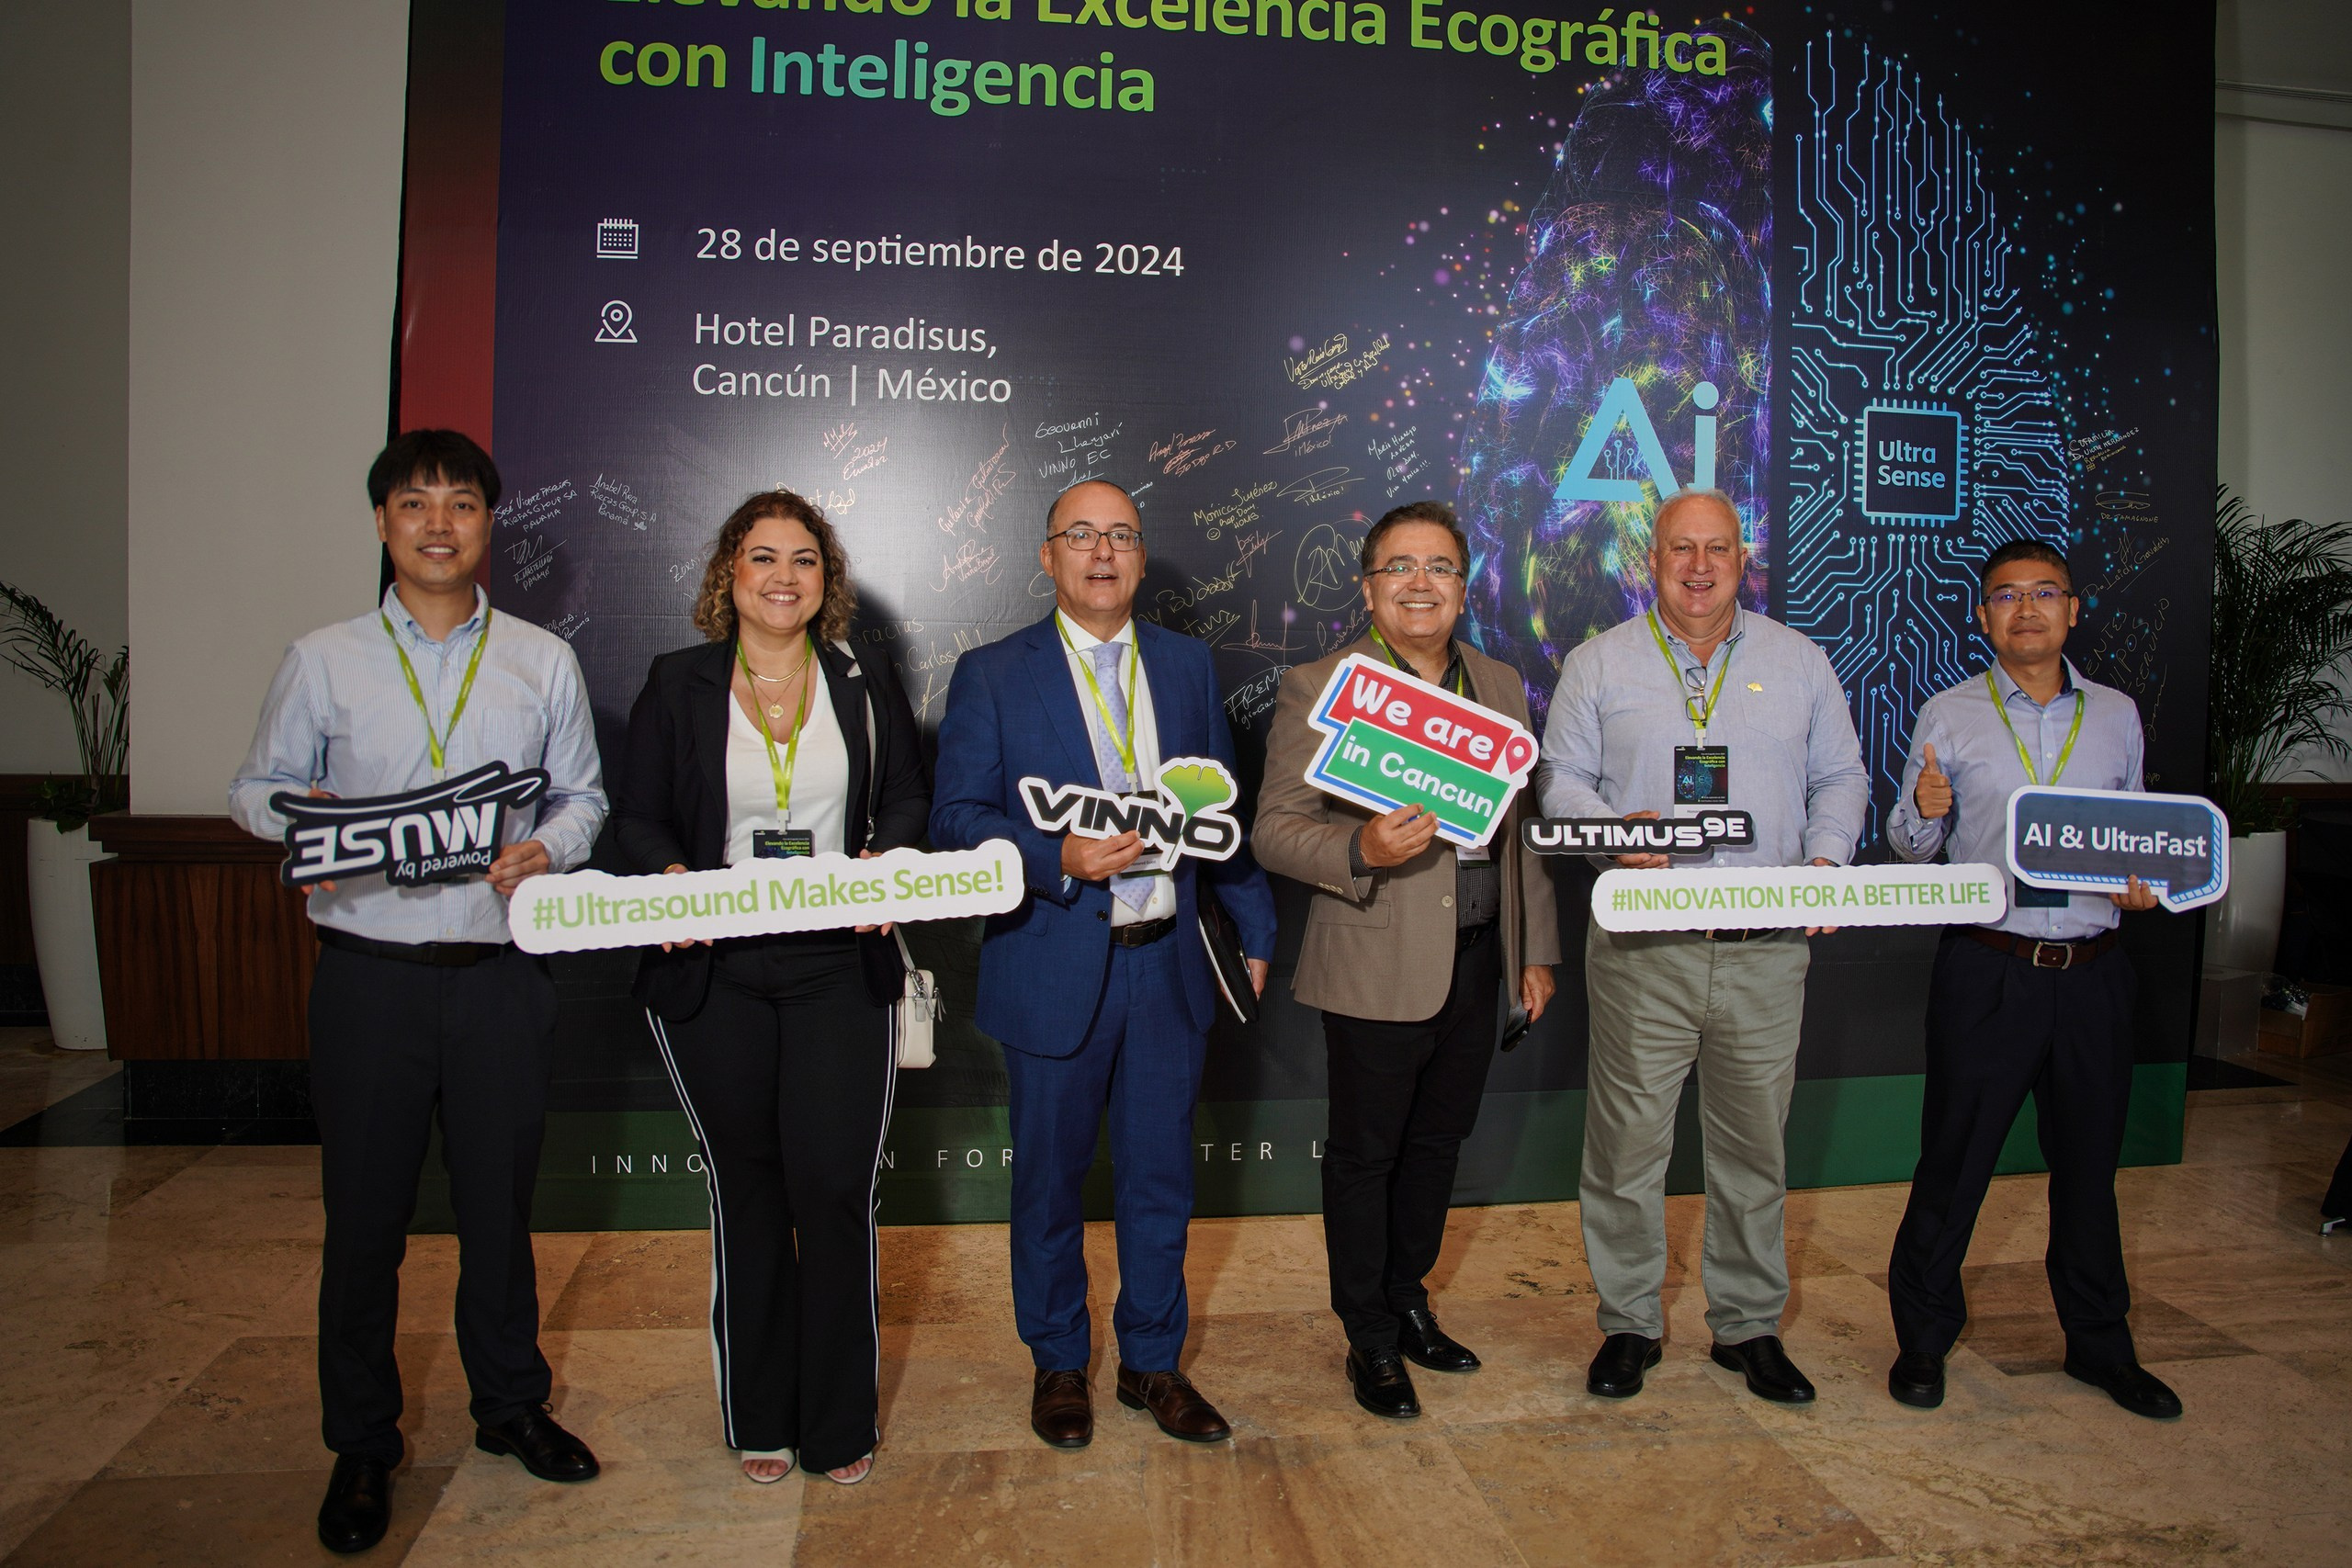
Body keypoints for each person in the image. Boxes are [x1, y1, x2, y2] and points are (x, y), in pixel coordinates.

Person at [229, 430, 608, 1554]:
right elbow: (254, 791)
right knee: (366, 1221)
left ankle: (510, 1406)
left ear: (489, 524)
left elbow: (582, 801)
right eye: (413, 504)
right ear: (384, 524)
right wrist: (318, 830)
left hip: (498, 976)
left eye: (460, 504)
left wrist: (546, 850)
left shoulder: (542, 658)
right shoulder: (325, 657)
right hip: (369, 978)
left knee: (499, 1211)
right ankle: (362, 1441)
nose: (438, 524)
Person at [929, 479, 1279, 1450]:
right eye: (1080, 535)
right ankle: (1056, 1364)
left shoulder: (1183, 665)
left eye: (1121, 535)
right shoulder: (994, 674)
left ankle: (1152, 1365)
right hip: (1052, 963)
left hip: (1167, 966)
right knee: (1047, 1182)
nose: (1102, 552)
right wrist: (1055, 860)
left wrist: (1253, 928)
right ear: (1047, 556)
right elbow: (956, 821)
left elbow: (1218, 814)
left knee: (1161, 1179)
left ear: (1138, 554)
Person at [612, 490, 931, 1484]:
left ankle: (839, 1425)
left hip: (839, 959)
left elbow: (907, 796)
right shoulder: (679, 682)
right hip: (718, 967)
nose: (782, 576)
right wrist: (668, 877)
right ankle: (760, 1417)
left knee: (833, 1191)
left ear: (824, 582)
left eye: (803, 560)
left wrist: (895, 859)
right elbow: (639, 816)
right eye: (762, 558)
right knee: (747, 1192)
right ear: (728, 575)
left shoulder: (863, 678)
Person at [1536, 486, 1867, 1406]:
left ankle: (1748, 1325)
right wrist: (1610, 831)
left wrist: (1829, 856)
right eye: (1680, 549)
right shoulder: (1599, 664)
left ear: (1741, 559)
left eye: (1716, 549)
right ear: (1653, 560)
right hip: (1645, 940)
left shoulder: (1798, 661)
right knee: (1626, 1145)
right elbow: (1558, 779)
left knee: (1754, 1146)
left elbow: (1841, 773)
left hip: (1764, 945)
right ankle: (1629, 1323)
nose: (1697, 566)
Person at [1253, 500, 1560, 1419]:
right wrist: (1359, 853)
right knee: (1364, 1155)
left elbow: (1522, 838)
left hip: (1479, 959)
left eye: (1439, 567)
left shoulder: (1500, 684)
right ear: (1368, 585)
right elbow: (1274, 830)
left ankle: (1408, 1297)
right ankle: (1369, 1336)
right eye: (1399, 567)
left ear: (1464, 587)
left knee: (1436, 1146)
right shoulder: (1323, 684)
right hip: (1376, 956)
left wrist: (1533, 948)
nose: (1420, 584)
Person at [1882, 539, 2181, 1419]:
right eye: (2005, 596)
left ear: (2073, 609)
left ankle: (2099, 1344)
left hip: (2093, 974)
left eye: (2044, 593)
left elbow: (2136, 834)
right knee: (1953, 1162)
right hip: (1990, 967)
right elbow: (1912, 843)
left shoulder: (2119, 715)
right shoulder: (1950, 711)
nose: (2026, 610)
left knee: (2090, 1169)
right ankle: (1923, 1343)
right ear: (1983, 615)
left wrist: (2143, 885)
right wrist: (1924, 813)